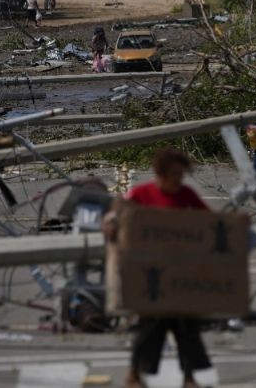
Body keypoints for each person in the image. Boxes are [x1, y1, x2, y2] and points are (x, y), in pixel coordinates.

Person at [102, 148, 213, 388]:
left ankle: (189, 378)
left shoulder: (186, 195)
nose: (178, 179)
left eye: (181, 175)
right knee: (150, 326)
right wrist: (111, 224)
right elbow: (115, 213)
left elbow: (210, 221)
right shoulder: (142, 194)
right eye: (174, 174)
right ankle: (134, 374)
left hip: (181, 273)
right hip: (150, 274)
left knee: (187, 327)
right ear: (160, 173)